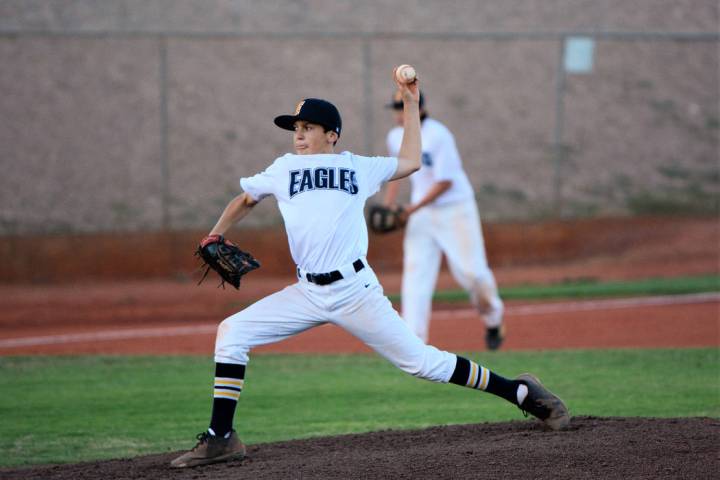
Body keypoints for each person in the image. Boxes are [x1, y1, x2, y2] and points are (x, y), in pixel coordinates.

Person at [170, 70, 569, 469]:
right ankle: (221, 438)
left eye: (309, 127)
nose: (299, 134)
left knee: (422, 363)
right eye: (295, 128)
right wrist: (213, 235)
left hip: (355, 292)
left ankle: (519, 392)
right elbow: (246, 199)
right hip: (307, 293)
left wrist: (411, 104)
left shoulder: (358, 167)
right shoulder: (283, 168)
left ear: (332, 134)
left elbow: (412, 161)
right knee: (232, 333)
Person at [382, 90, 505, 350]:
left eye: (401, 106)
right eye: (395, 106)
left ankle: (493, 319)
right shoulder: (395, 137)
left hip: (455, 209)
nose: (396, 112)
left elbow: (446, 181)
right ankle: (413, 344)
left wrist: (411, 208)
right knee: (415, 275)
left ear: (417, 108)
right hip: (422, 214)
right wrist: (389, 205)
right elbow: (397, 172)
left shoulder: (439, 135)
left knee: (472, 273)